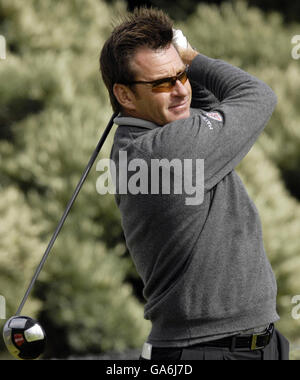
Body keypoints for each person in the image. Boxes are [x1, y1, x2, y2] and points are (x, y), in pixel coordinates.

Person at [99, 7, 290, 360]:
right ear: (124, 95)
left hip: (250, 343)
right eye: (161, 83)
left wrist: (179, 69)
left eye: (182, 76)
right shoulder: (169, 150)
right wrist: (192, 57)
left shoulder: (142, 142)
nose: (180, 90)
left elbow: (203, 106)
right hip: (204, 351)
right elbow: (257, 95)